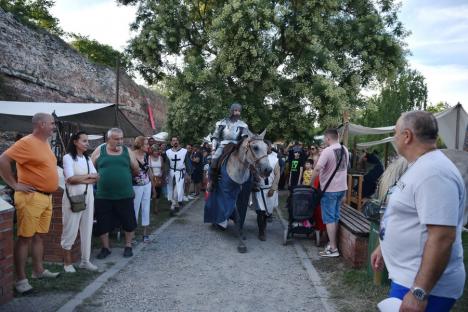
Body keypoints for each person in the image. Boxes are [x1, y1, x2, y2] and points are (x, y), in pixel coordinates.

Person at [371, 111, 466, 312]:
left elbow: (442, 237)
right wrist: (383, 246)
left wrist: (419, 292)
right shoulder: (421, 166)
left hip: (425, 286)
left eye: (396, 133)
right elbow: (409, 215)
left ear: (407, 136)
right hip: (409, 277)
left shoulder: (434, 173)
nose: (394, 138)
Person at [0, 113, 60, 294]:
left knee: (38, 236)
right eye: (51, 123)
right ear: (41, 124)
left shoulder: (45, 143)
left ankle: (38, 271)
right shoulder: (26, 142)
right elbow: (3, 159)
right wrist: (14, 184)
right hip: (30, 198)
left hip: (46, 197)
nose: (54, 126)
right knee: (25, 238)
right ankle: (20, 279)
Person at [91, 128, 139, 259]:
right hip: (103, 195)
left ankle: (128, 246)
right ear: (108, 139)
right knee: (103, 222)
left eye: (121, 138)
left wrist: (125, 177)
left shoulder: (127, 151)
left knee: (128, 221)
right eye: (116, 139)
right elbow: (91, 167)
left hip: (124, 194)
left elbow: (136, 169)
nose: (120, 141)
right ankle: (106, 248)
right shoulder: (99, 150)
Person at [61, 131, 99, 273]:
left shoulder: (88, 159)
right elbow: (70, 179)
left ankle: (85, 261)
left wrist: (82, 178)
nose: (87, 143)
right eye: (84, 141)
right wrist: (89, 177)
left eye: (87, 141)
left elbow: (97, 177)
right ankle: (67, 263)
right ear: (75, 142)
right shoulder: (68, 158)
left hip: (88, 196)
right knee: (70, 228)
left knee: (87, 228)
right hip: (73, 197)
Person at [308, 128, 349, 257]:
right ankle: (332, 244)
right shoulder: (345, 150)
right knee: (335, 216)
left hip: (330, 190)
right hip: (342, 188)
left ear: (327, 138)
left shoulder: (327, 151)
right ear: (337, 136)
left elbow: (317, 169)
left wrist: (310, 183)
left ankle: (333, 248)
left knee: (329, 218)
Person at [209, 102, 249, 190]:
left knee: (249, 159)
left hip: (236, 146)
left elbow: (245, 139)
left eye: (239, 111)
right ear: (231, 111)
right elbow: (215, 137)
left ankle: (253, 181)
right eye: (235, 110)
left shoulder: (243, 125)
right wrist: (213, 149)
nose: (237, 113)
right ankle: (213, 180)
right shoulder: (222, 123)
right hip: (223, 145)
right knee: (214, 159)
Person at [252, 140, 280, 241]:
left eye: (267, 146)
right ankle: (261, 232)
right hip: (259, 189)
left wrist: (273, 188)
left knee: (267, 212)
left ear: (269, 147)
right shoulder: (256, 158)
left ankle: (263, 228)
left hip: (269, 189)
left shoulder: (274, 158)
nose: (266, 148)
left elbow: (277, 174)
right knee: (260, 212)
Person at [132, 136, 152, 243]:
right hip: (135, 186)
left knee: (146, 207)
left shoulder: (146, 155)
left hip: (146, 185)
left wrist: (152, 186)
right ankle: (132, 234)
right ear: (140, 144)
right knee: (134, 209)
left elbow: (149, 171)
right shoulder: (131, 155)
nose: (148, 146)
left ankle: (145, 234)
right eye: (146, 144)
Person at [166, 136, 190, 216]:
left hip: (180, 172)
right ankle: (176, 204)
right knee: (171, 188)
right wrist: (166, 174)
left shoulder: (184, 151)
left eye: (176, 140)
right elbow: (167, 164)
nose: (175, 142)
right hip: (171, 172)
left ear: (178, 142)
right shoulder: (168, 152)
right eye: (173, 140)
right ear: (171, 142)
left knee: (178, 188)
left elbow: (187, 163)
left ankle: (172, 206)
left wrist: (188, 174)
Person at [148, 144, 166, 215]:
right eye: (154, 151)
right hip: (152, 177)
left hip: (159, 177)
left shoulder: (160, 158)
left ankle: (156, 207)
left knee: (158, 193)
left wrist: (161, 174)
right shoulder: (149, 158)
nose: (156, 152)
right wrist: (152, 176)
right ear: (152, 151)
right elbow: (149, 168)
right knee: (153, 193)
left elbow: (162, 167)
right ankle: (152, 206)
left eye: (157, 150)